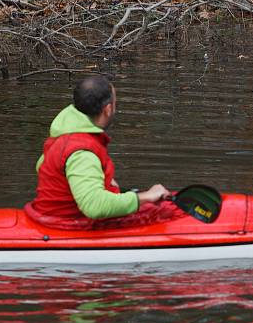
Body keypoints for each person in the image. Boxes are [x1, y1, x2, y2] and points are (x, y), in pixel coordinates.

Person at [25, 75, 183, 230]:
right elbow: (94, 206)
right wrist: (146, 196)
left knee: (167, 199)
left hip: (54, 215)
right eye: (115, 103)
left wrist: (97, 180)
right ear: (108, 109)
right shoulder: (82, 152)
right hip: (68, 224)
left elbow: (43, 167)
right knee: (171, 209)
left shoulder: (65, 132)